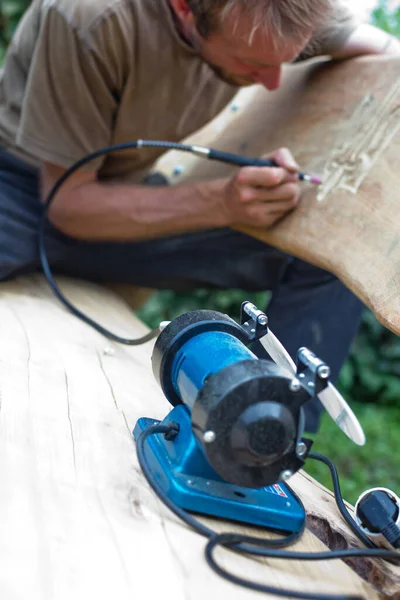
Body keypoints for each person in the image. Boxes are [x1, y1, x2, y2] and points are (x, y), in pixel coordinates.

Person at [0, 0, 398, 431]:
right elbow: (67, 206)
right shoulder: (89, 16)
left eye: (284, 60)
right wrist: (220, 203)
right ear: (185, 8)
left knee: (328, 256)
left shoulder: (274, 13)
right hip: (23, 193)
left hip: (122, 195)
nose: (271, 81)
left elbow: (383, 47)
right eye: (252, 63)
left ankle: (267, 431)